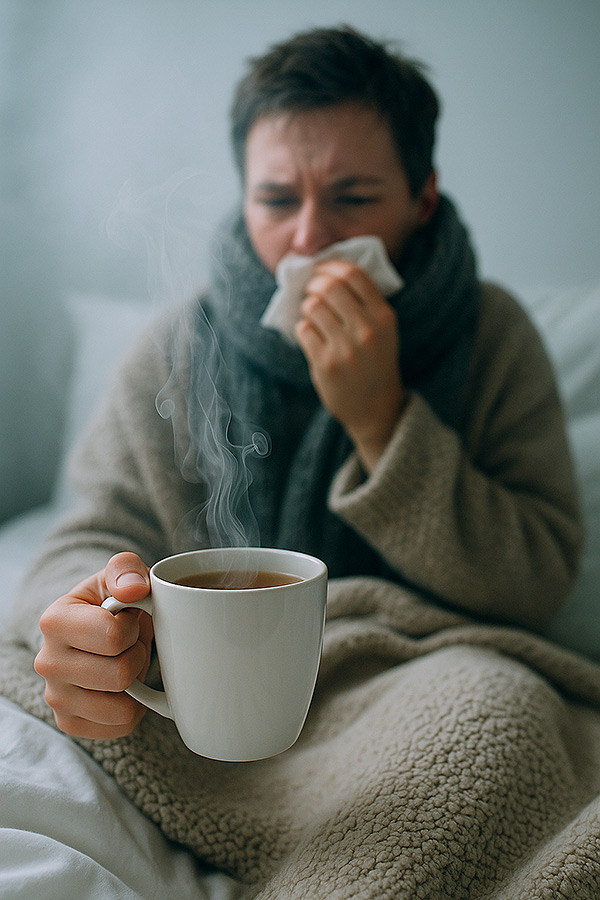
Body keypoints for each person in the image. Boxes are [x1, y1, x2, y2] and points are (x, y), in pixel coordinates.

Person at [1, 25, 590, 899]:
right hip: (209, 696)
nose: (310, 240)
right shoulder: (180, 343)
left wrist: (384, 420)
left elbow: (533, 580)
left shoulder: (492, 335)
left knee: (499, 712)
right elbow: (89, 530)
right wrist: (92, 616)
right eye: (278, 200)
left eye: (353, 197)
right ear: (243, 199)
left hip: (412, 679)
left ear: (422, 198)